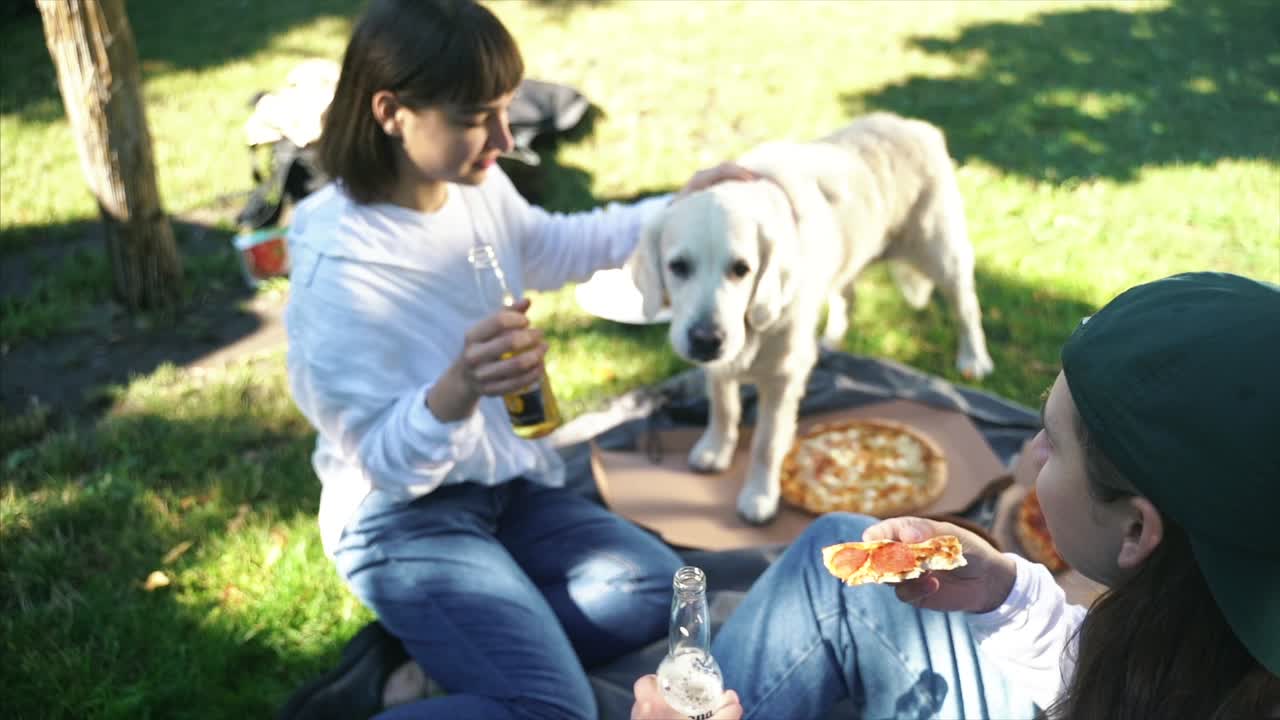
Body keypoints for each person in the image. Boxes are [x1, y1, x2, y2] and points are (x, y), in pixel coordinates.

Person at [277, 1, 754, 718]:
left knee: (659, 591)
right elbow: (383, 465)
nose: (505, 136)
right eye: (477, 117)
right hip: (400, 519)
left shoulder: (474, 184)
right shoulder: (337, 267)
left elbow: (556, 246)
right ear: (390, 111)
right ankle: (449, 669)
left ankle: (440, 660)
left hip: (503, 490)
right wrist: (461, 388)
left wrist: (677, 207)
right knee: (556, 711)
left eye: (506, 109)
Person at [632, 271, 1280, 720]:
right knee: (838, 547)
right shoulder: (1212, 641)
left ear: (1138, 531)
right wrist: (1009, 595)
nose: (1028, 456)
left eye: (1051, 442)